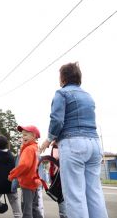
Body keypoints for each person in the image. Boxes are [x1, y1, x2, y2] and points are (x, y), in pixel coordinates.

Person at [40, 62, 108, 218]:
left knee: (75, 195)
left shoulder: (61, 93)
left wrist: (49, 139)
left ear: (63, 78)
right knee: (94, 192)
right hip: (94, 144)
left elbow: (57, 120)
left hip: (74, 144)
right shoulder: (88, 96)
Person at [8, 125, 43, 218]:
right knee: (34, 208)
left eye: (26, 135)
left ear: (34, 136)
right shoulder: (35, 148)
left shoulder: (28, 149)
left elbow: (24, 165)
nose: (23, 137)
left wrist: (12, 174)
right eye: (22, 135)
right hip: (34, 182)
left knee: (26, 209)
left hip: (27, 183)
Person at [0, 134, 21, 218]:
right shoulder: (11, 156)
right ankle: (18, 216)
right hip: (10, 183)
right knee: (14, 201)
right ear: (7, 144)